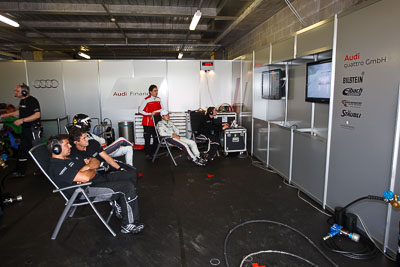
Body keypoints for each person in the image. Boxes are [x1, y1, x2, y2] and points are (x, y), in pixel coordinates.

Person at [47, 134, 144, 234]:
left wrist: (88, 168)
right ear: (56, 148)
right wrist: (90, 168)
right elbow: (86, 177)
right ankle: (128, 224)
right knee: (127, 187)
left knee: (131, 174)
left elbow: (95, 161)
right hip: (87, 191)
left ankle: (119, 203)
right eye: (67, 144)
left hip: (97, 179)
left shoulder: (71, 156)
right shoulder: (57, 167)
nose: (70, 146)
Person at [69, 127, 138, 185]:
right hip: (97, 175)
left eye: (86, 137)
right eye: (84, 138)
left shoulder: (93, 143)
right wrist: (91, 165)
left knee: (132, 171)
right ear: (76, 142)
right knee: (121, 179)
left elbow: (106, 157)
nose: (87, 139)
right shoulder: (73, 153)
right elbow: (83, 172)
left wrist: (119, 168)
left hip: (106, 166)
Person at [0, 83, 41, 177]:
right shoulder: (22, 101)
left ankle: (43, 170)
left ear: (24, 91)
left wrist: (22, 120)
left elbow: (37, 115)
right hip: (25, 129)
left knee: (37, 150)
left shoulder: (32, 100)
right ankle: (21, 171)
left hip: (33, 130)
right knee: (22, 150)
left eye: (17, 91)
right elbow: (21, 111)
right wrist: (7, 115)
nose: (15, 92)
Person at [139, 85, 163, 160]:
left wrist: (156, 112)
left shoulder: (159, 99)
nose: (156, 92)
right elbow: (140, 111)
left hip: (156, 122)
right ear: (150, 92)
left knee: (156, 138)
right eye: (155, 91)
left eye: (157, 91)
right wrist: (150, 113)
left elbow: (162, 109)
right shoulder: (146, 100)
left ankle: (153, 153)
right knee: (147, 139)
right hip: (147, 122)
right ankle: (147, 154)